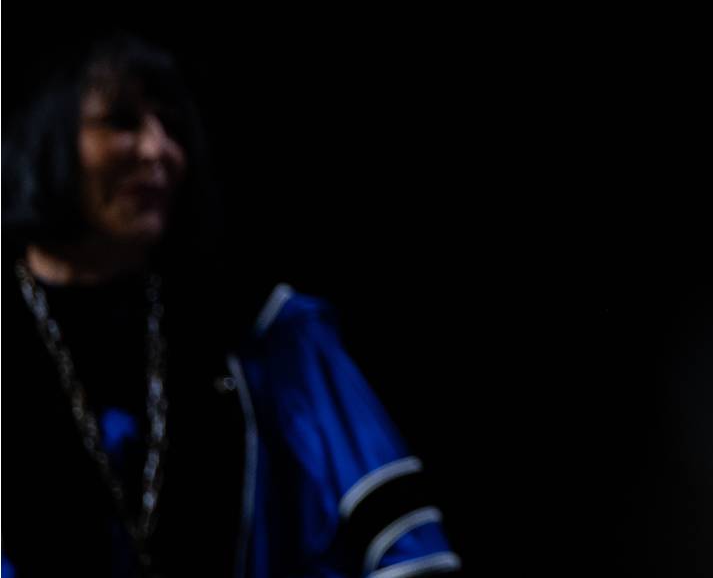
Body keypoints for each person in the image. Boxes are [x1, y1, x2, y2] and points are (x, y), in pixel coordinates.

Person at [2, 34, 460, 578]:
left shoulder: (261, 337)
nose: (159, 150)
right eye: (121, 121)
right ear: (43, 134)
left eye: (171, 126)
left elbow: (405, 546)